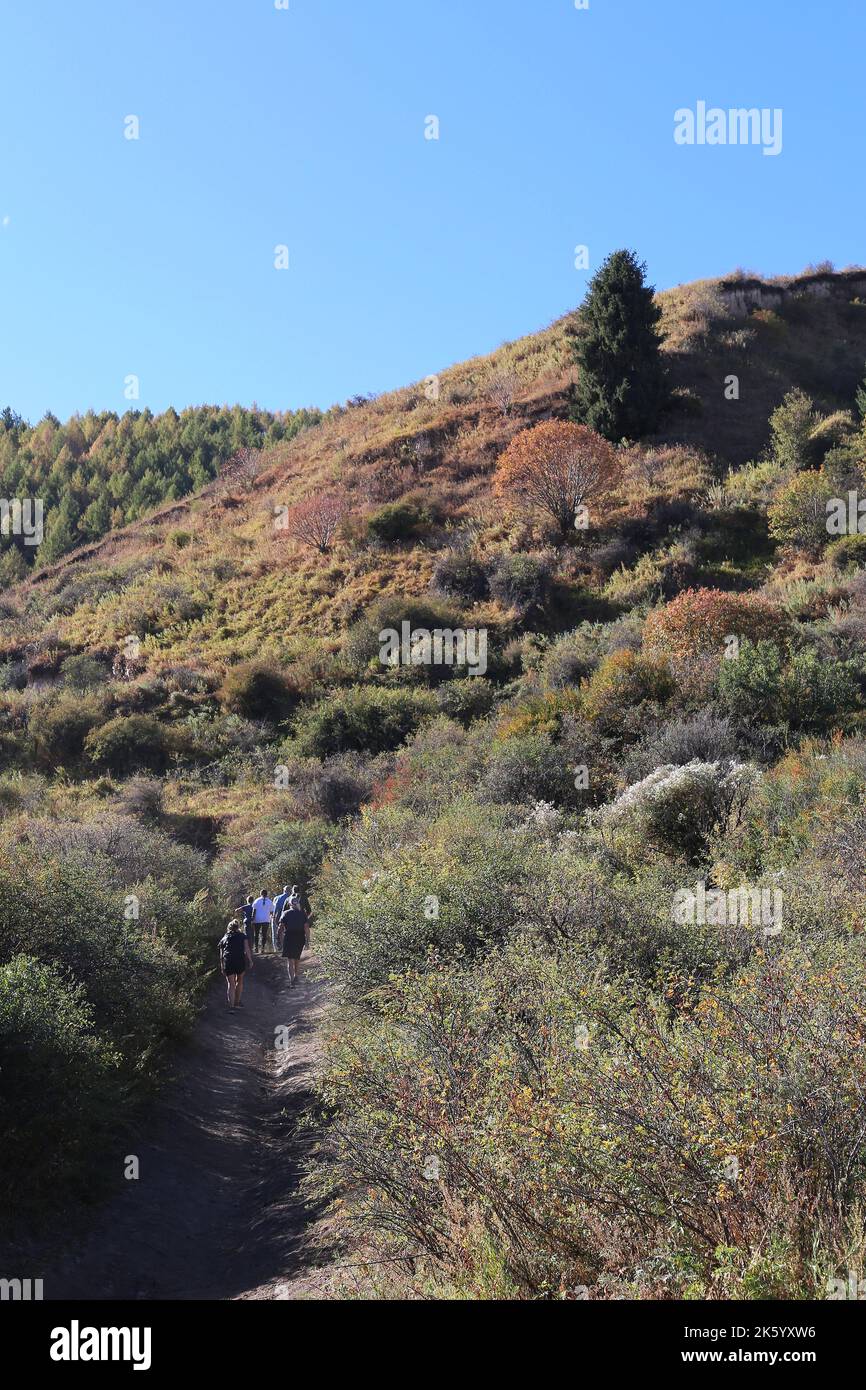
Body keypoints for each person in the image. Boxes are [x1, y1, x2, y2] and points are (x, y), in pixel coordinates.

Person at [219, 918, 253, 1010]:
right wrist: (250, 960)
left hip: (228, 960)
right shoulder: (243, 936)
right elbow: (246, 949)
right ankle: (237, 1002)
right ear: (238, 927)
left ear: (229, 928)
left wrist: (222, 965)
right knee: (240, 981)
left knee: (231, 984)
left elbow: (221, 953)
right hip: (239, 960)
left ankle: (231, 1006)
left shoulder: (225, 937)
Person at [277, 896, 310, 987]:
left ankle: (292, 980)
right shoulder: (302, 914)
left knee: (290, 960)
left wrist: (280, 940)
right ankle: (296, 976)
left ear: (290, 904)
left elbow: (280, 927)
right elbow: (306, 927)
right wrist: (307, 941)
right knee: (297, 957)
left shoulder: (285, 913)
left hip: (289, 937)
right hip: (300, 937)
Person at [270, 884, 291, 953]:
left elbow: (275, 909)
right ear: (290, 891)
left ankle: (276, 948)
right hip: (289, 917)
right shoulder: (292, 897)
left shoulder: (277, 898)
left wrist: (273, 916)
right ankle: (286, 946)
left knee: (276, 933)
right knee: (286, 932)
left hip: (278, 916)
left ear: (283, 890)